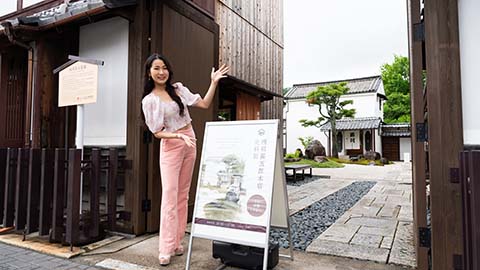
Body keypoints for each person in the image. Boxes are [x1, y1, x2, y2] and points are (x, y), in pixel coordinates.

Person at [141, 53, 229, 266]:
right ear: (149, 73)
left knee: (182, 195)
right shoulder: (150, 100)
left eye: (164, 68)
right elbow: (157, 132)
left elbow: (204, 104)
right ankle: (165, 247)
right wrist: (178, 136)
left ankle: (176, 242)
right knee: (169, 196)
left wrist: (213, 82)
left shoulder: (178, 89)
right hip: (171, 144)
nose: (161, 72)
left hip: (190, 140)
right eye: (156, 68)